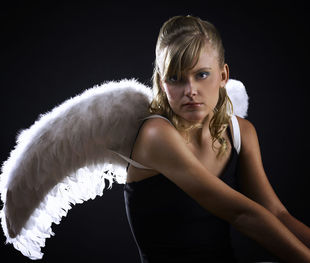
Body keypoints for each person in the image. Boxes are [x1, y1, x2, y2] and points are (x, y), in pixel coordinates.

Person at [123, 15, 310, 263]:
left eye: (201, 74)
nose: (190, 90)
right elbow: (242, 213)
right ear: (161, 82)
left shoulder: (241, 133)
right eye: (175, 78)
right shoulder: (157, 134)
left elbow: (277, 213)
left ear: (223, 76)